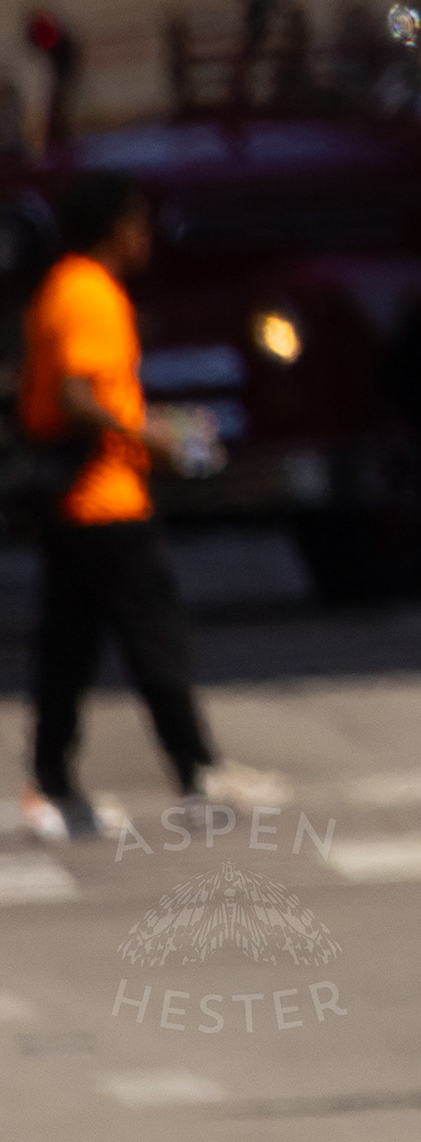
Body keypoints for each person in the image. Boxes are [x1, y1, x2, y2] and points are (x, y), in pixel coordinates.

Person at [17, 175, 287, 843]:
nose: (146, 237)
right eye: (137, 223)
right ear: (114, 227)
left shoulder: (63, 286)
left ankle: (53, 779)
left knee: (69, 652)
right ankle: (196, 770)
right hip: (106, 501)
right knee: (155, 639)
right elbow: (80, 395)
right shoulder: (88, 292)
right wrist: (150, 437)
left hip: (80, 505)